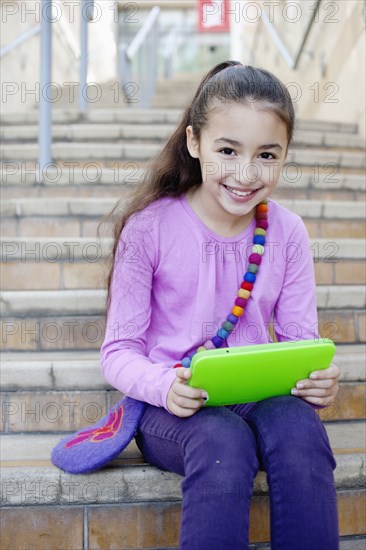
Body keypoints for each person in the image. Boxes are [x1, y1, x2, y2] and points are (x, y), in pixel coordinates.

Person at [100, 61, 340, 550]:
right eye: (227, 151)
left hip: (257, 395)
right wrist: (164, 385)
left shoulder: (288, 232)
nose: (246, 174)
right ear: (195, 142)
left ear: (286, 154)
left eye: (267, 155)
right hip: (174, 406)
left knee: (299, 426)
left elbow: (300, 342)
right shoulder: (150, 228)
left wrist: (316, 380)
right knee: (222, 442)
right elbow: (118, 351)